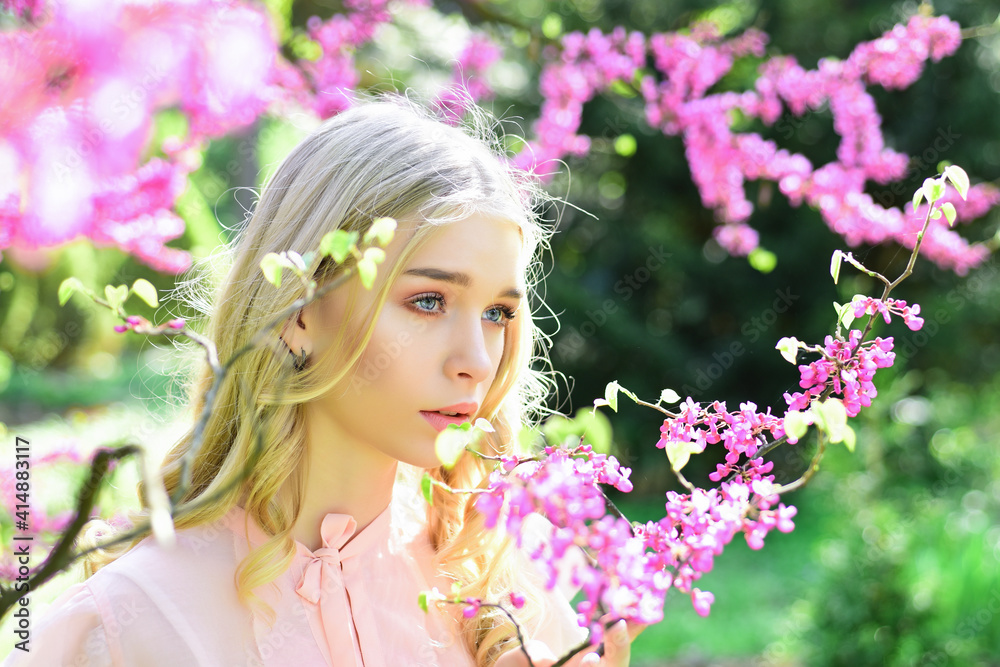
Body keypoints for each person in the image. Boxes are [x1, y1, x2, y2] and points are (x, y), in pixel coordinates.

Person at [3, 98, 639, 666]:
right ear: (299, 310)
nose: (476, 359)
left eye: (498, 313)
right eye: (427, 301)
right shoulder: (130, 623)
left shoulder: (508, 595)